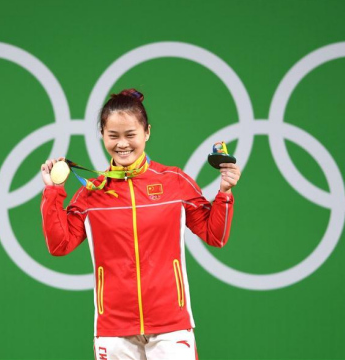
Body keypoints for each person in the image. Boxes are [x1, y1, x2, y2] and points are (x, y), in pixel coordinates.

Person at [40, 88, 241, 360]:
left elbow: (214, 235)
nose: (122, 144)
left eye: (130, 134)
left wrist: (225, 193)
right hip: (114, 330)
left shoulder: (175, 182)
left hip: (171, 326)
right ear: (102, 135)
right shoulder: (91, 194)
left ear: (147, 132)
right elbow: (59, 245)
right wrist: (53, 191)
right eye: (113, 136)